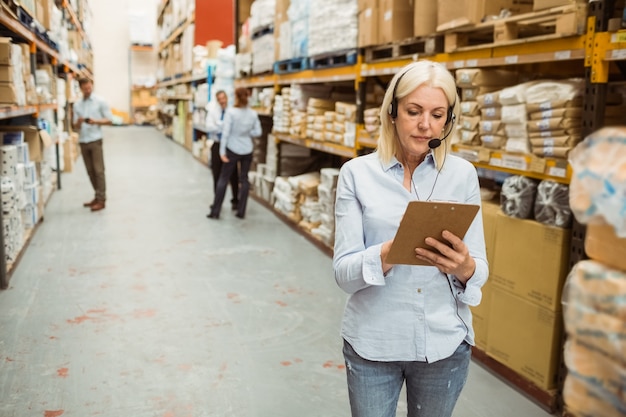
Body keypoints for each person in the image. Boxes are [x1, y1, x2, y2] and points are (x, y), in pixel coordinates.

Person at [333, 60, 488, 417]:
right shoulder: (357, 175)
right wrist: (388, 253)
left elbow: (479, 270)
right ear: (392, 113)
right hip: (374, 342)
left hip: (443, 343)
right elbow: (343, 273)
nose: (424, 125)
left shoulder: (462, 176)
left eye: (437, 115)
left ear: (448, 121)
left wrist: (464, 266)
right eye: (414, 111)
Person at [207, 87, 261, 220]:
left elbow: (225, 134)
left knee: (223, 179)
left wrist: (222, 151)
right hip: (247, 149)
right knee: (244, 179)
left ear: (235, 97)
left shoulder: (231, 113)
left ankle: (216, 211)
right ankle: (241, 211)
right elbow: (258, 132)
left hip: (232, 149)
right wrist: (246, 134)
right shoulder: (253, 114)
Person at [72, 78, 113, 212]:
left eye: (89, 88)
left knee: (99, 171)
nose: (88, 90)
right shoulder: (77, 105)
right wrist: (78, 122)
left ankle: (102, 200)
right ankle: (97, 196)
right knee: (90, 172)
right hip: (83, 141)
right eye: (85, 88)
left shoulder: (100, 101)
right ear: (81, 88)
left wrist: (95, 121)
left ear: (92, 86)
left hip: (95, 140)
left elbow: (109, 120)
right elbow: (74, 126)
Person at [205, 90, 239, 211]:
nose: (222, 101)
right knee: (217, 174)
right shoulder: (213, 112)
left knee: (234, 175)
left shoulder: (232, 111)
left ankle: (236, 200)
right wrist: (223, 127)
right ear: (217, 100)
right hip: (217, 145)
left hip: (230, 146)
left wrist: (219, 126)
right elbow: (209, 127)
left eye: (223, 98)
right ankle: (217, 202)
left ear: (227, 98)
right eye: (219, 99)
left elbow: (235, 128)